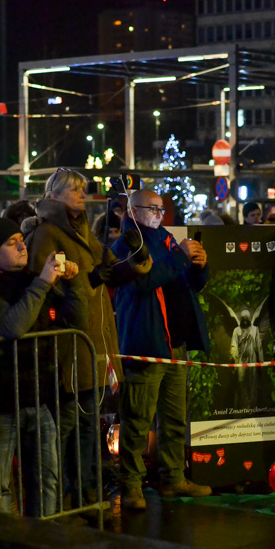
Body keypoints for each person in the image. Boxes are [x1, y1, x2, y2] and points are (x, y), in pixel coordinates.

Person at [22, 168, 151, 506]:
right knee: (67, 427)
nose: (81, 194)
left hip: (94, 342)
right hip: (68, 347)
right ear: (54, 195)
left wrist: (136, 261)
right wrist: (87, 280)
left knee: (90, 427)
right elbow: (47, 289)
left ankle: (88, 494)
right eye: (74, 189)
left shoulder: (82, 232)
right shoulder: (47, 233)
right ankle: (65, 499)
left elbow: (109, 270)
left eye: (82, 189)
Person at [0, 216, 86, 516]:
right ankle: (8, 545)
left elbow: (78, 320)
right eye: (11, 243)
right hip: (0, 400)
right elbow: (12, 326)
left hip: (39, 394)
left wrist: (73, 283)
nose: (22, 246)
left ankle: (45, 540)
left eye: (20, 239)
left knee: (46, 479)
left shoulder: (31, 278)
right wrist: (43, 283)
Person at [110, 189, 213, 510]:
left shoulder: (167, 239)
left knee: (174, 418)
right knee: (138, 419)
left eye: (160, 208)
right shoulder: (126, 243)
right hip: (146, 344)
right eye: (151, 208)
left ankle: (173, 478)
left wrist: (200, 266)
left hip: (174, 345)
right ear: (133, 210)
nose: (158, 213)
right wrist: (181, 256)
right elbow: (144, 281)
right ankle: (131, 485)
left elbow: (189, 285)